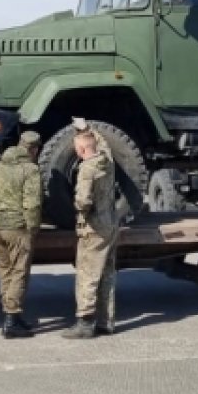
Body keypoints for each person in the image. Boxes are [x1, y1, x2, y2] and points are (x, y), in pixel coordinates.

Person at [0, 131, 43, 338]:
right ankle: (11, 319)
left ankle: (10, 313)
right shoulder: (31, 170)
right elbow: (32, 204)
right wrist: (32, 229)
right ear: (33, 150)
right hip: (18, 228)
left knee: (5, 270)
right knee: (19, 272)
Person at [64, 130, 120, 339]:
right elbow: (103, 144)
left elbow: (84, 201)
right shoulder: (107, 162)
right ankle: (107, 322)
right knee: (106, 274)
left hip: (93, 228)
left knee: (87, 274)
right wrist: (88, 128)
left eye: (77, 148)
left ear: (82, 149)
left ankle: (85, 323)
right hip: (110, 224)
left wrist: (79, 210)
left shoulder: (87, 169)